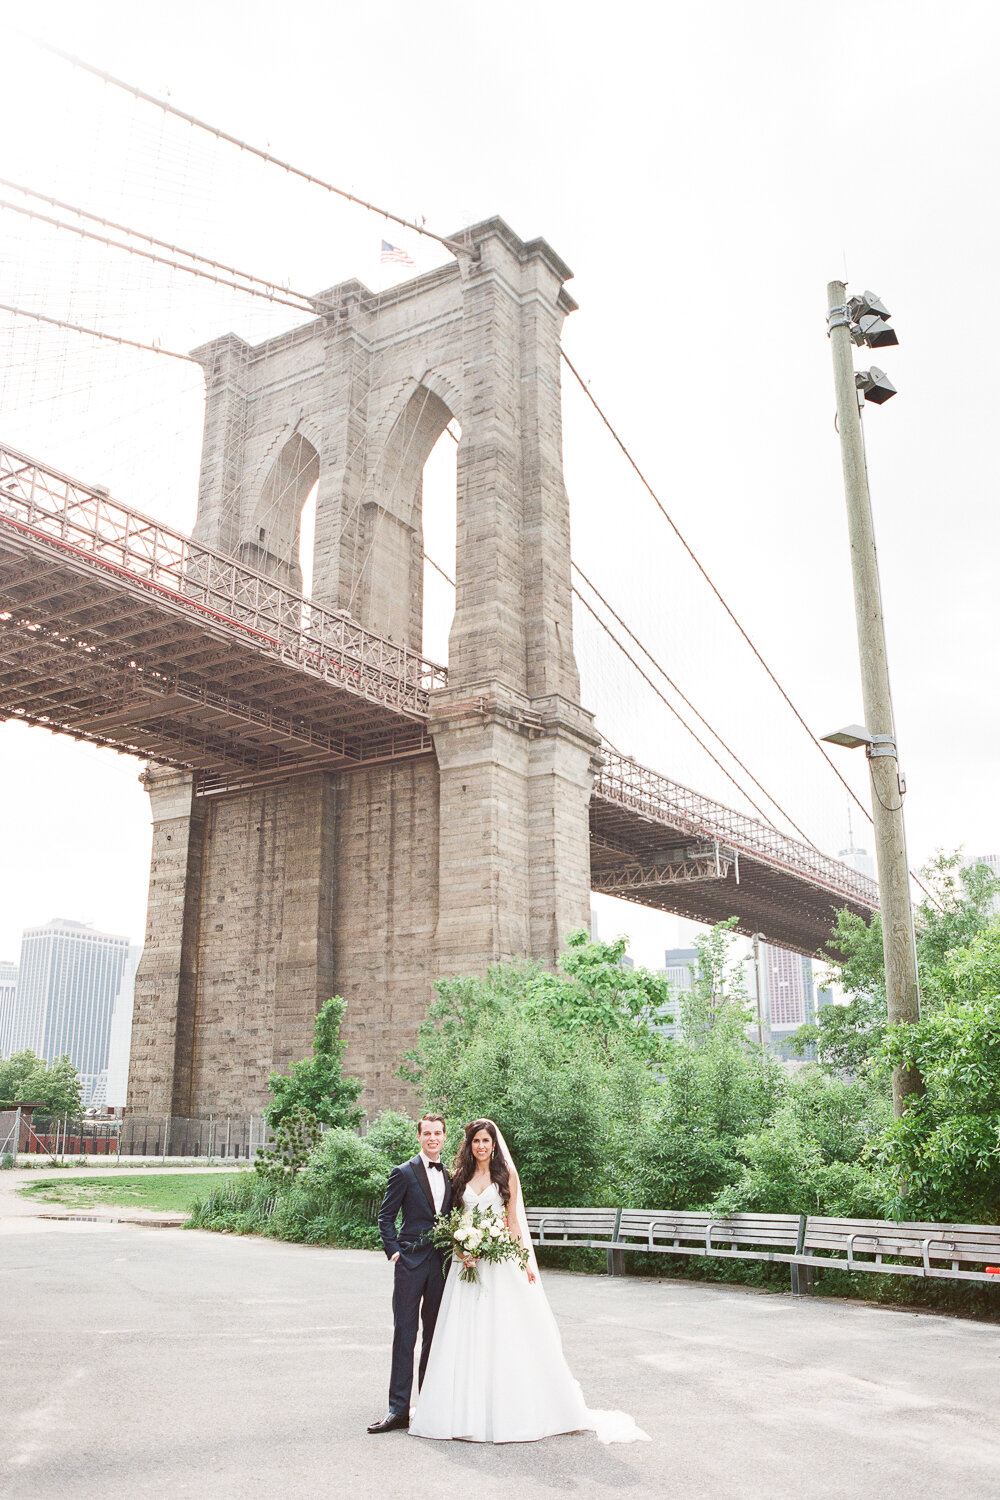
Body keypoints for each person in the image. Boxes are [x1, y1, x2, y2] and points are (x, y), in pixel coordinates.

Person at [409, 1118, 648, 1445]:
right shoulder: (460, 1177)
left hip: (500, 1261)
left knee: (505, 1331)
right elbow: (456, 1221)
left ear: (494, 1145)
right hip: (468, 1265)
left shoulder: (506, 1175)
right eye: (476, 1141)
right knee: (466, 1332)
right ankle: (463, 1411)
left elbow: (514, 1223)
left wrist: (525, 1263)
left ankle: (508, 1410)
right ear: (469, 1144)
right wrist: (461, 1248)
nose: (481, 1146)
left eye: (486, 1141)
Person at [367, 1113, 452, 1434]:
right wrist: (395, 1254)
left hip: (441, 1265)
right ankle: (397, 1409)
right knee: (405, 1333)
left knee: (434, 1334)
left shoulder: (452, 1175)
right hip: (409, 1263)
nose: (433, 1138)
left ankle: (427, 1405)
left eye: (438, 1133)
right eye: (427, 1133)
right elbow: (385, 1217)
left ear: (444, 1137)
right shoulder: (403, 1173)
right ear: (419, 1137)